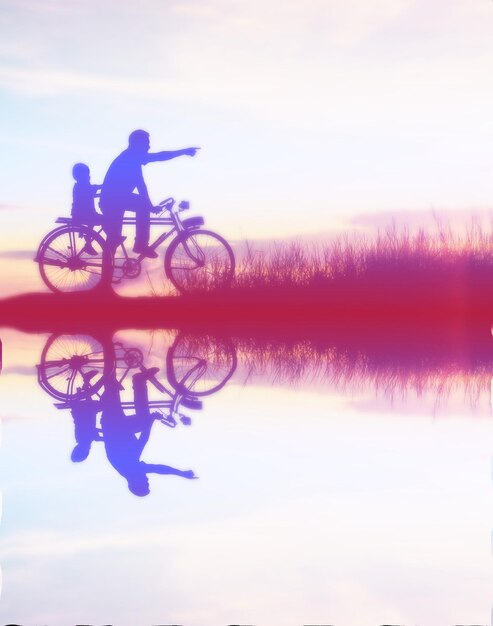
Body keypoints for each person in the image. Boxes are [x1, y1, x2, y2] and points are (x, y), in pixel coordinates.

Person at [99, 130, 199, 259]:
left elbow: (141, 185)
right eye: (146, 143)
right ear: (137, 143)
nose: (149, 146)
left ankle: (107, 276)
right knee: (141, 206)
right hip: (114, 201)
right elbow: (159, 156)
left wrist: (150, 205)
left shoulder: (130, 159)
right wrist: (183, 151)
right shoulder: (130, 158)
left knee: (113, 241)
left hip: (114, 200)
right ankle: (140, 245)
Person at [71, 162, 101, 256]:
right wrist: (104, 187)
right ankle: (114, 237)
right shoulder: (81, 186)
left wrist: (101, 188)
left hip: (84, 213)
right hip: (84, 214)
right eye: (86, 174)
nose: (89, 176)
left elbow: (91, 190)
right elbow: (91, 191)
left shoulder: (79, 185)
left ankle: (88, 244)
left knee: (93, 223)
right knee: (108, 220)